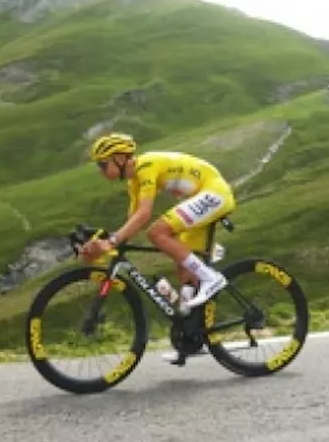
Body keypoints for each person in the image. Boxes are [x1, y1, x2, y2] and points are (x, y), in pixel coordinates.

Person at [78, 132, 232, 310]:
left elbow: (144, 214)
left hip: (215, 192)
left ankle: (211, 278)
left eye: (103, 164)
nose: (100, 171)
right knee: (184, 269)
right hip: (202, 195)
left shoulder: (146, 165)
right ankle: (190, 321)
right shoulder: (133, 181)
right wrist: (103, 244)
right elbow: (133, 221)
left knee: (157, 232)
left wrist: (111, 242)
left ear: (120, 158)